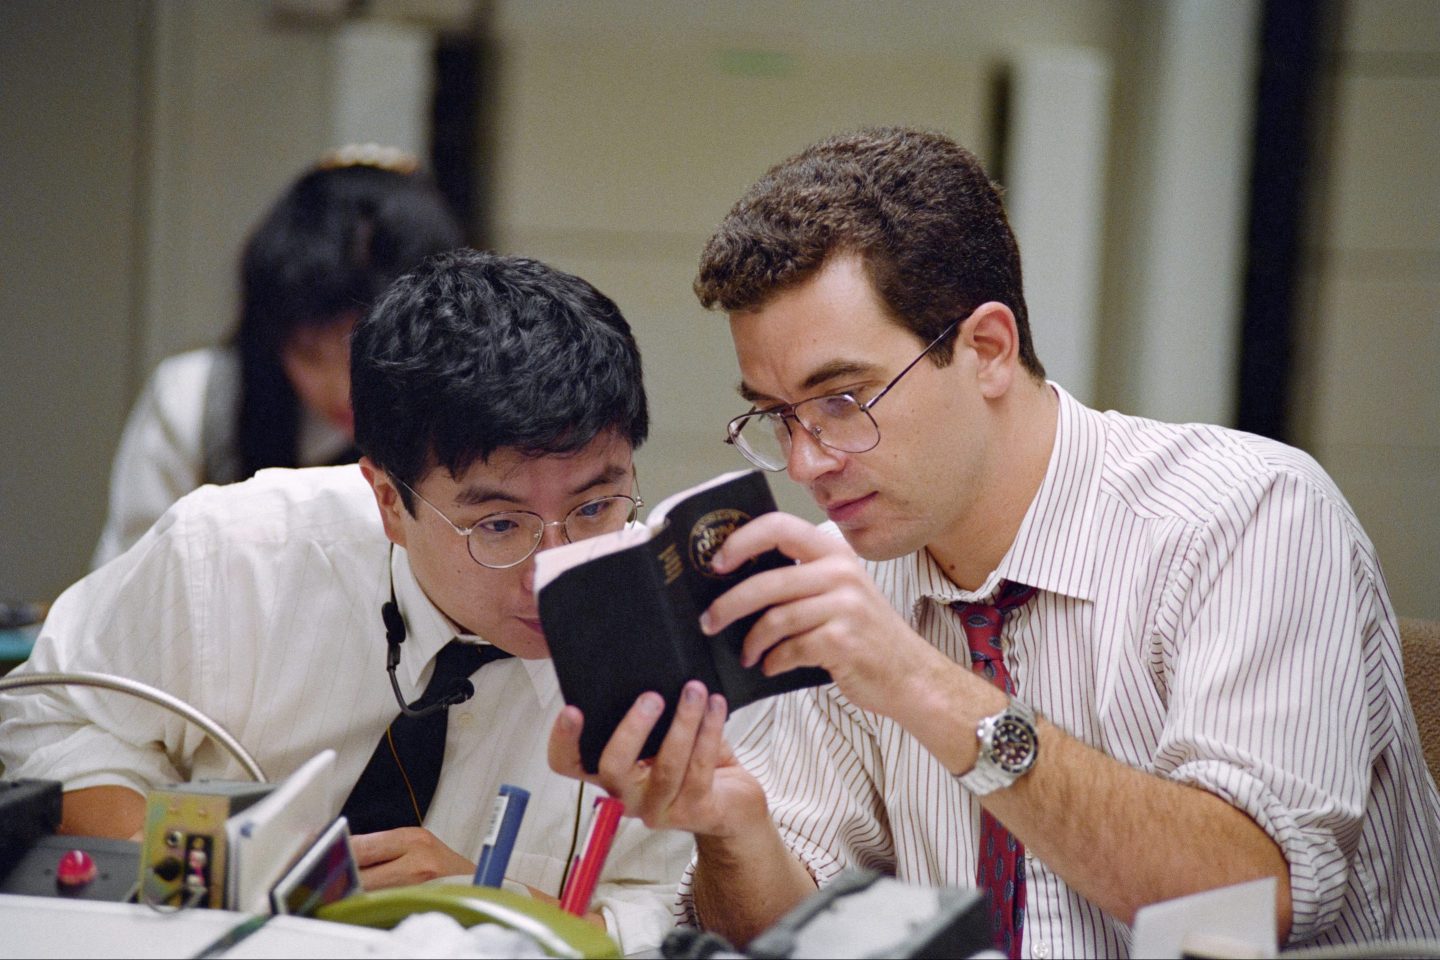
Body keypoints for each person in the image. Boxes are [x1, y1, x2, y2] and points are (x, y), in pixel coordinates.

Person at [549, 127, 1440, 957]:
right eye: (778, 416)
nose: (809, 462)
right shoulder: (849, 572)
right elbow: (792, 930)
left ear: (984, 347)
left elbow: (1250, 900)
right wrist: (731, 828)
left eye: (842, 400)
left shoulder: (1247, 514)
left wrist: (919, 684)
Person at [1, 249, 691, 953]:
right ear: (389, 500)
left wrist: (497, 904)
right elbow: (49, 722)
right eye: (499, 525)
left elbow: (675, 903)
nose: (555, 568)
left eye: (595, 507)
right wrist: (209, 877)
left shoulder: (665, 631)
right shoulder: (235, 553)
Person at [91, 144, 464, 569]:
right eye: (308, 353)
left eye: (366, 355)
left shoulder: (470, 417)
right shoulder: (197, 399)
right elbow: (127, 581)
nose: (342, 390)